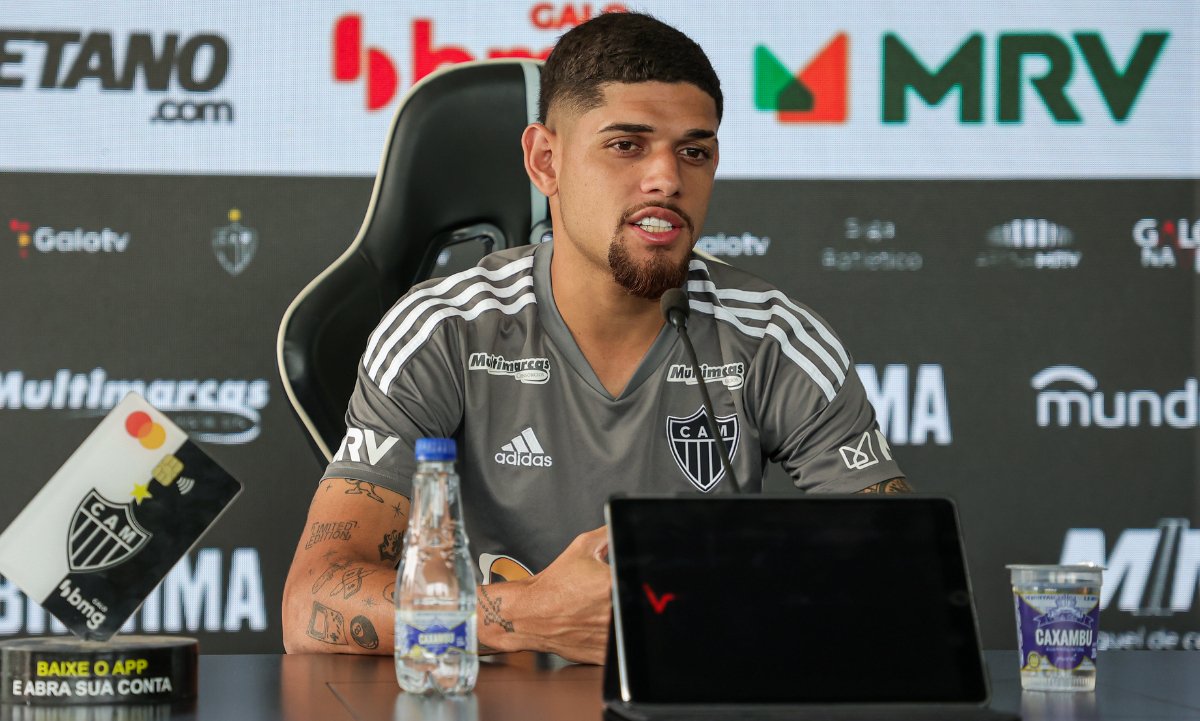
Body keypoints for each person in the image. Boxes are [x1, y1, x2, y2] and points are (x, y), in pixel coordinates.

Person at [282, 11, 909, 663]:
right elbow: (310, 604)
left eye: (694, 151)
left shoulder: (775, 337)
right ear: (545, 161)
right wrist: (523, 616)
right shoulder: (442, 328)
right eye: (627, 145)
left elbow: (899, 571)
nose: (667, 178)